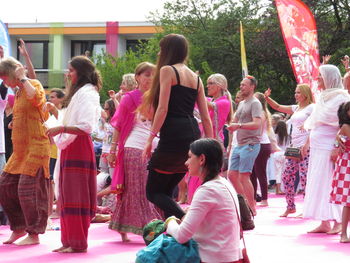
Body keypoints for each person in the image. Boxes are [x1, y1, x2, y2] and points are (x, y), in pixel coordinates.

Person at [139, 34, 212, 219]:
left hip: (173, 132)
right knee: (167, 190)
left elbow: (162, 108)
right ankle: (175, 233)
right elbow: (205, 116)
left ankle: (188, 223)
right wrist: (212, 143)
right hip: (192, 132)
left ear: (168, 50)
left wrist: (150, 138)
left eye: (161, 48)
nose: (158, 52)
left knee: (153, 192)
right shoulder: (196, 78)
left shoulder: (167, 70)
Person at [47, 55, 101, 253]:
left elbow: (86, 127)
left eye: (70, 70)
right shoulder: (80, 92)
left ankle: (78, 242)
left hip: (78, 145)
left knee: (75, 196)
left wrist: (60, 129)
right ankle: (68, 240)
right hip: (71, 146)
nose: (67, 74)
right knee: (66, 194)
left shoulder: (88, 93)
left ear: (81, 72)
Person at [107, 62, 161, 242]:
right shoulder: (129, 98)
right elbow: (119, 125)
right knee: (139, 188)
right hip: (134, 148)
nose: (150, 78)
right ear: (137, 77)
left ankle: (127, 226)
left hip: (154, 148)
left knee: (147, 188)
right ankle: (150, 228)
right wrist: (113, 149)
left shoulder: (157, 96)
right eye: (146, 74)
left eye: (153, 75)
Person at [165, 138, 242, 263]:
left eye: (190, 157)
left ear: (202, 159)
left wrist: (170, 221)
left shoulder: (208, 190)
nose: (186, 162)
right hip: (229, 256)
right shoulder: (223, 183)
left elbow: (181, 235)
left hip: (214, 258)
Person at [0, 57, 50, 245]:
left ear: (12, 74)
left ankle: (34, 234)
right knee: (5, 187)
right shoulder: (19, 92)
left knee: (28, 190)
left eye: (5, 78)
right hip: (20, 152)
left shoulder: (32, 84)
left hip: (36, 148)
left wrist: (22, 78)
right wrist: (16, 122)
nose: (4, 82)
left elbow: (36, 99)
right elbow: (29, 112)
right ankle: (19, 228)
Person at [303, 64, 350, 233]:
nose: (318, 79)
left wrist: (337, 147)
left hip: (330, 147)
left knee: (330, 183)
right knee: (318, 182)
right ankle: (324, 221)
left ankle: (337, 221)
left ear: (329, 77)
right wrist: (307, 143)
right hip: (317, 147)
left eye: (321, 76)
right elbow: (316, 122)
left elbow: (344, 124)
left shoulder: (342, 97)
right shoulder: (323, 96)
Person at [264, 84, 314, 217]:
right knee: (286, 176)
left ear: (305, 94)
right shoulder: (296, 108)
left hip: (305, 147)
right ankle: (290, 206)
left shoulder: (312, 108)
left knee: (304, 178)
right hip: (293, 147)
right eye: (295, 92)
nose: (295, 94)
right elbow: (278, 107)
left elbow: (314, 126)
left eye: (298, 92)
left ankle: (307, 208)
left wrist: (307, 144)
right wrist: (267, 99)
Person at [187, 73, 233, 203]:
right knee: (196, 175)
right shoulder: (210, 101)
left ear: (219, 86)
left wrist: (195, 85)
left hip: (213, 144)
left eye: (210, 83)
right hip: (204, 143)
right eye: (206, 83)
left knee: (207, 176)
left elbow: (204, 105)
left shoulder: (224, 102)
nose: (207, 86)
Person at [227, 75, 262, 215]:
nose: (241, 87)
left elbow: (257, 124)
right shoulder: (241, 103)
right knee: (231, 175)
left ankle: (252, 206)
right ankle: (245, 203)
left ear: (252, 87)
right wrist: (231, 127)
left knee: (243, 176)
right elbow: (234, 121)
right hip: (239, 144)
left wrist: (239, 125)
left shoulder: (255, 103)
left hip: (250, 144)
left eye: (244, 85)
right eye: (241, 84)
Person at [330, 102, 350, 242]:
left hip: (345, 163)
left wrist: (337, 141)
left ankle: (344, 234)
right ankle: (343, 234)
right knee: (348, 202)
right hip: (347, 166)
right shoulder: (346, 126)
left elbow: (338, 140)